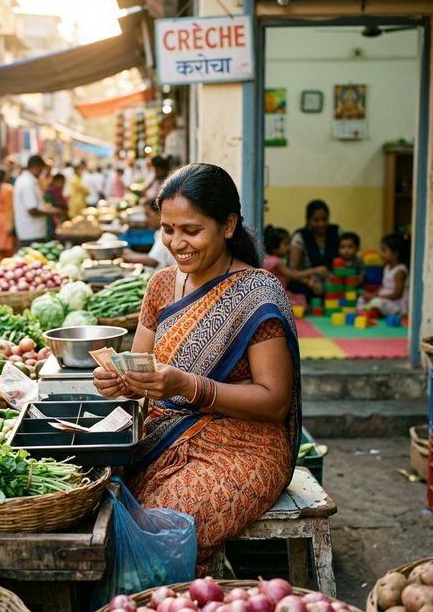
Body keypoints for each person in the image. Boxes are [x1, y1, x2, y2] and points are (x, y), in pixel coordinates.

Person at [93, 163, 301, 570]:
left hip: (246, 445)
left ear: (228, 225)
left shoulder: (257, 293)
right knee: (97, 507)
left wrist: (188, 386)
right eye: (168, 229)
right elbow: (144, 371)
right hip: (165, 432)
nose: (177, 242)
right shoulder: (160, 285)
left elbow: (275, 401)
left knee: (156, 527)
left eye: (191, 230)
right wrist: (120, 381)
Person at [263, 225, 328, 308]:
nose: (289, 247)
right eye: (286, 244)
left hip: (276, 293)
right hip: (275, 296)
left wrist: (309, 282)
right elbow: (293, 275)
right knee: (299, 305)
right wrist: (314, 270)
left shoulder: (271, 259)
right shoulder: (277, 262)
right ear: (274, 247)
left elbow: (292, 274)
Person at [289, 200, 340, 299]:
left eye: (324, 219)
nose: (321, 224)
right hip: (307, 282)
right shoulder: (300, 237)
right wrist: (310, 283)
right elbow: (292, 271)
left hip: (332, 283)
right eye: (316, 220)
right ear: (308, 220)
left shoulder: (337, 232)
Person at [14, 155, 60, 247]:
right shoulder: (27, 183)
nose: (41, 173)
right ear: (36, 167)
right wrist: (51, 212)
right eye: (41, 169)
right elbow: (32, 210)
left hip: (30, 231)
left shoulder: (25, 180)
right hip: (32, 232)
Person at [122, 198, 176, 269]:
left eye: (147, 215)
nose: (146, 219)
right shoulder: (159, 231)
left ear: (159, 214)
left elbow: (153, 261)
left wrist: (125, 255)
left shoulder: (164, 232)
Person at [364, 233, 410, 317]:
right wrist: (373, 295)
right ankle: (372, 310)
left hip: (396, 304)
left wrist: (381, 297)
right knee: (362, 299)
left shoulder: (400, 271)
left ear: (396, 253)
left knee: (377, 302)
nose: (381, 254)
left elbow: (398, 294)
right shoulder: (387, 267)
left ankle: (373, 311)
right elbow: (383, 286)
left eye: (384, 251)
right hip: (384, 299)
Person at [44, 173, 68, 240]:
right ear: (55, 181)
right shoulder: (50, 192)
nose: (63, 185)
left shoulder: (59, 191)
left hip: (60, 219)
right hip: (53, 222)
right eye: (62, 182)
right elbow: (49, 207)